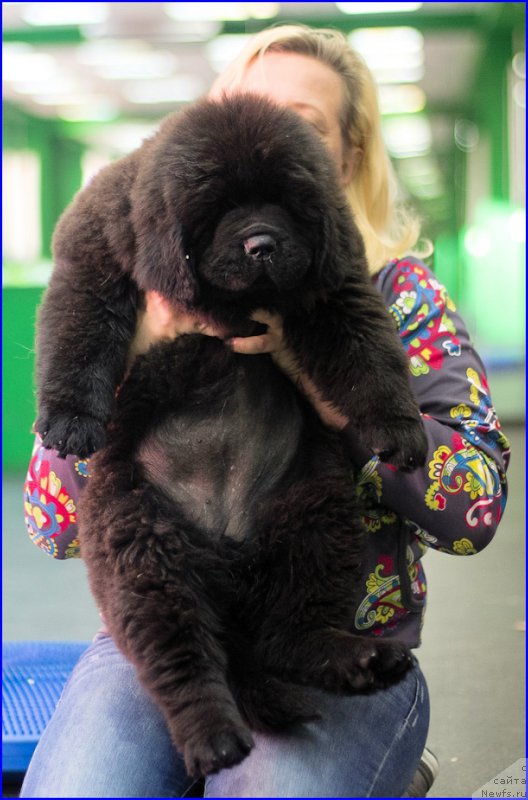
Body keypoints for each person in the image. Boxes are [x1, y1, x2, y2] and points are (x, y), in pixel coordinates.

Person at [21, 24, 510, 799]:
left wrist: (324, 385)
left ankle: (380, 754)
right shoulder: (139, 262)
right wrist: (127, 357)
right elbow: (51, 524)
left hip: (334, 637)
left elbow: (475, 507)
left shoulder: (400, 294)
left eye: (300, 123)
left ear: (347, 154)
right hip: (168, 636)